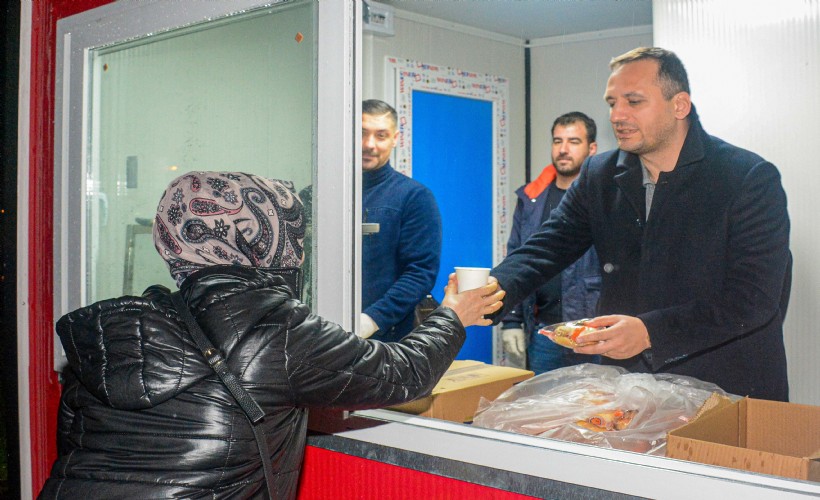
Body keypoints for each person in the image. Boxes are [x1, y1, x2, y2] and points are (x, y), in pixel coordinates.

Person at [40, 171, 504, 499]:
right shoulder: (270, 324)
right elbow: (401, 374)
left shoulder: (125, 323)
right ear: (263, 236)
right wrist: (454, 314)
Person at [490, 47, 791, 401]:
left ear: (679, 105)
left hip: (727, 388)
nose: (617, 115)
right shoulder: (599, 173)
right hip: (631, 386)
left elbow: (753, 299)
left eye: (633, 101)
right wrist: (493, 290)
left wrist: (650, 332)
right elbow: (548, 246)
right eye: (612, 102)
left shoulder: (746, 177)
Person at [501, 112, 601, 373]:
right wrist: (511, 321)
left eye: (573, 141)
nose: (563, 150)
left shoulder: (604, 196)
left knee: (595, 410)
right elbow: (517, 257)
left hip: (593, 333)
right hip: (544, 333)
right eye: (558, 141)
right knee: (546, 410)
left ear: (592, 149)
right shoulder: (531, 198)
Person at [361, 99, 443, 342]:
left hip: (388, 339)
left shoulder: (414, 197)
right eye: (362, 133)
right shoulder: (317, 195)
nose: (369, 144)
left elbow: (420, 273)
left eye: (381, 136)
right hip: (321, 334)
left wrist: (371, 320)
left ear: (395, 139)